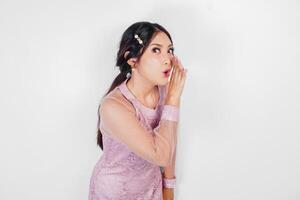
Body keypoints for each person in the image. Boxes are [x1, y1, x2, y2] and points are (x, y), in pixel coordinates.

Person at [88, 21, 187, 200]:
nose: (168, 59)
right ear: (132, 60)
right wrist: (173, 100)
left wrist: (168, 187)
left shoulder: (164, 91)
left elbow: (170, 141)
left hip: (151, 189)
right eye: (156, 50)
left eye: (170, 50)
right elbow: (160, 155)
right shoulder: (113, 107)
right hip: (115, 193)